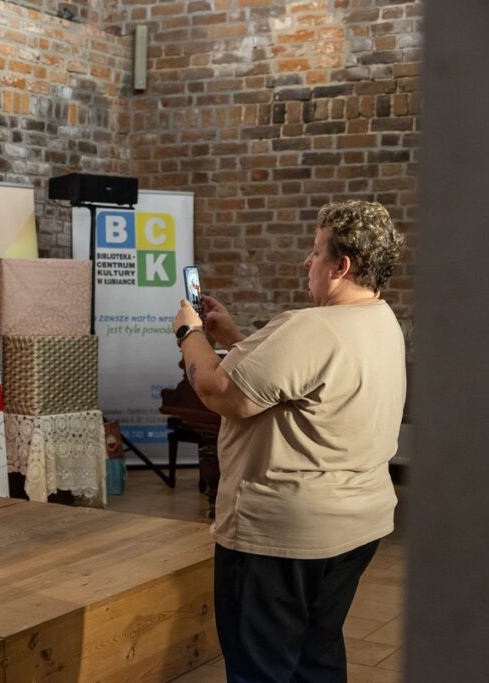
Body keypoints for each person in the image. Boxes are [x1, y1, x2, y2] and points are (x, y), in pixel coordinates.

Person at [171, 200, 406, 681]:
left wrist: (188, 333)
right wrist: (236, 337)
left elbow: (220, 392)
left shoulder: (310, 327)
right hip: (355, 526)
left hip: (282, 536)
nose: (307, 261)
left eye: (316, 252)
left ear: (341, 267)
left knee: (262, 668)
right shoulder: (382, 320)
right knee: (314, 658)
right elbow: (299, 381)